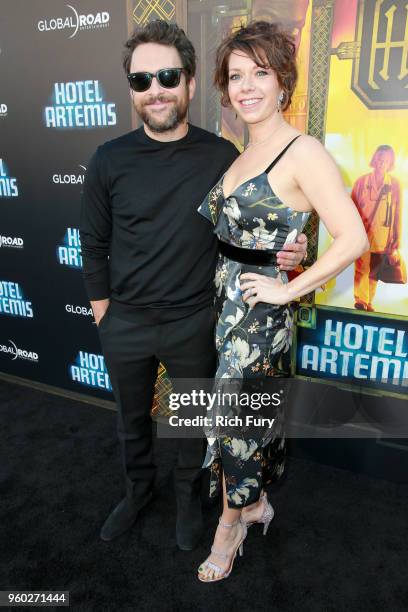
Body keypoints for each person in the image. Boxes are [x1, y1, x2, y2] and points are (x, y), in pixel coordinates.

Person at [79, 20, 307, 552]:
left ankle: (187, 498)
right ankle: (137, 492)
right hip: (126, 322)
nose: (155, 89)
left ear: (188, 80)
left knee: (188, 424)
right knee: (130, 420)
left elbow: (252, 227)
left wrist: (289, 253)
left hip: (193, 322)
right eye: (141, 81)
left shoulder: (223, 157)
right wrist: (105, 318)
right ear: (133, 91)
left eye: (167, 76)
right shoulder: (109, 159)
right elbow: (93, 246)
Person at [196, 21, 369, 582]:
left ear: (283, 82)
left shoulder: (303, 151)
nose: (246, 86)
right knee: (236, 422)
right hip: (227, 308)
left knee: (234, 424)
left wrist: (287, 286)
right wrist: (282, 255)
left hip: (259, 320)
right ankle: (254, 505)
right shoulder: (245, 151)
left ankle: (231, 527)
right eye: (236, 75)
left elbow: (354, 237)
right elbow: (254, 233)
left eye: (260, 73)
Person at [352, 145, 402, 311]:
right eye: (380, 159)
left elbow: (398, 213)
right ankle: (361, 300)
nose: (382, 162)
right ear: (374, 160)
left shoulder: (395, 185)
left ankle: (369, 301)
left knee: (375, 271)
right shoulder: (361, 182)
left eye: (386, 160)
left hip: (383, 235)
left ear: (390, 163)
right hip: (362, 231)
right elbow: (350, 207)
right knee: (361, 266)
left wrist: (397, 238)